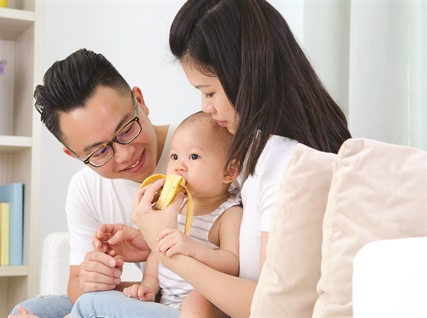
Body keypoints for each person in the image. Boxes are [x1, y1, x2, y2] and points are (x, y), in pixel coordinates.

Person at [70, 0, 352, 317]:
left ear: (245, 77)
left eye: (209, 92)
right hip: (201, 299)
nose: (205, 107)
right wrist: (151, 246)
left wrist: (164, 246)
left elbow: (273, 306)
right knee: (46, 307)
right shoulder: (257, 153)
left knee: (90, 307)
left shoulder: (284, 161)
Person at [9, 48, 178, 317]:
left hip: (197, 303)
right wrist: (95, 279)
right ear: (75, 155)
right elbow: (77, 287)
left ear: (140, 100)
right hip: (154, 298)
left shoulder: (198, 151)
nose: (125, 154)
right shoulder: (86, 189)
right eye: (98, 152)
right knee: (31, 310)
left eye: (126, 129)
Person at [121, 111, 242, 317]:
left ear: (229, 171)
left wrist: (192, 249)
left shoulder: (228, 213)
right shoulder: (173, 205)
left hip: (203, 305)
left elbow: (232, 264)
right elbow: (156, 251)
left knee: (197, 301)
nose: (178, 166)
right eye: (174, 156)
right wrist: (149, 284)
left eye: (193, 156)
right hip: (166, 302)